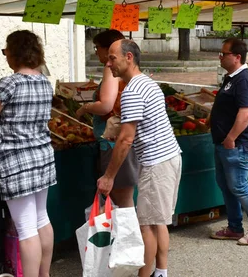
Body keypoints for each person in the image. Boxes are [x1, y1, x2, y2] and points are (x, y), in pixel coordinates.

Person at [0, 30, 56, 277]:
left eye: (6, 50)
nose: (5, 55)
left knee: (26, 227)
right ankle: (44, 274)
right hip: (42, 158)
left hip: (16, 163)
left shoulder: (9, 83)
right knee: (42, 219)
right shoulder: (43, 81)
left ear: (15, 52)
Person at [98, 39, 182, 277]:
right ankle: (161, 272)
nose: (108, 62)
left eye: (112, 57)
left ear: (129, 58)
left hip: (157, 163)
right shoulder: (147, 82)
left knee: (146, 224)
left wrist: (109, 176)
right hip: (170, 156)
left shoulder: (132, 90)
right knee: (159, 221)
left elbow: (126, 139)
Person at [209, 38, 248, 245]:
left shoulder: (244, 80)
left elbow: (246, 113)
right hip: (224, 143)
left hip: (237, 144)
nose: (220, 56)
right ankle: (235, 227)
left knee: (239, 186)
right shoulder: (231, 78)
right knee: (227, 186)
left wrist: (231, 137)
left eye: (224, 53)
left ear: (237, 57)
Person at [76, 30, 138, 208]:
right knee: (122, 197)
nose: (96, 52)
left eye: (97, 48)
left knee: (121, 197)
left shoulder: (110, 70)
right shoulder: (127, 70)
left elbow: (106, 105)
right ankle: (126, 234)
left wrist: (84, 108)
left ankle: (129, 236)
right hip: (119, 140)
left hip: (113, 142)